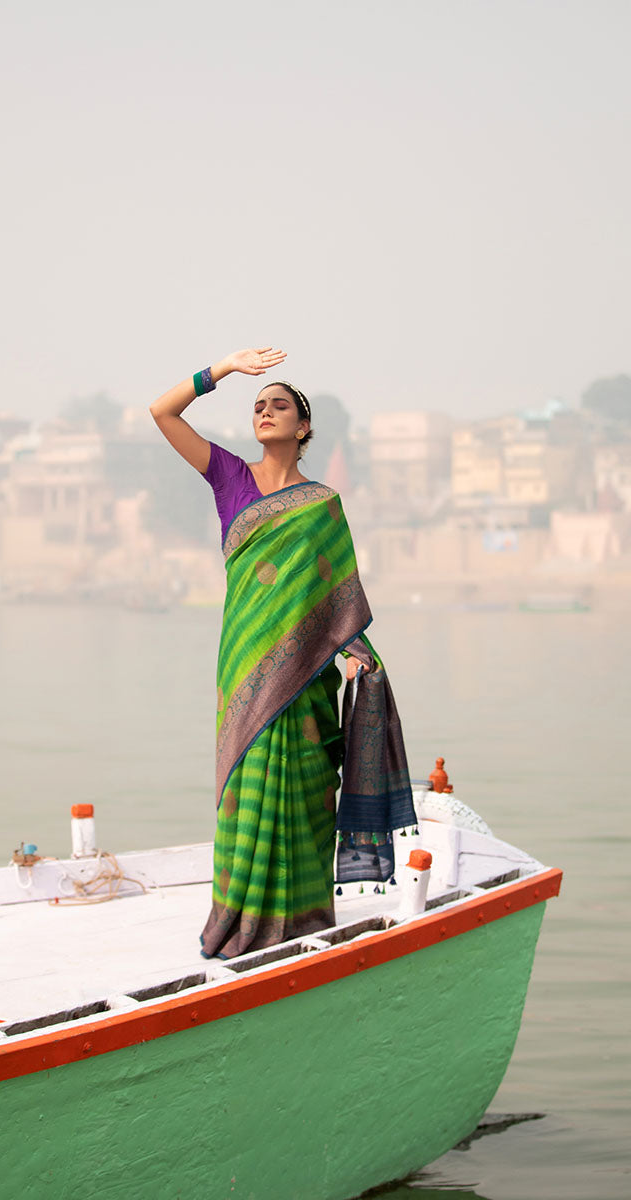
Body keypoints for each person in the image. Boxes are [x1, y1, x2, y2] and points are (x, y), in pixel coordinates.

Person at [150, 347, 414, 960]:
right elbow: (162, 412)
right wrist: (222, 370)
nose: (265, 410)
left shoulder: (323, 504)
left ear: (303, 427)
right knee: (250, 785)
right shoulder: (229, 477)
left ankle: (303, 914)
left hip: (307, 678)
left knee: (307, 781)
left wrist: (356, 652)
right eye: (258, 405)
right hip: (244, 665)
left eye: (280, 405)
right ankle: (239, 918)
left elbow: (334, 593)